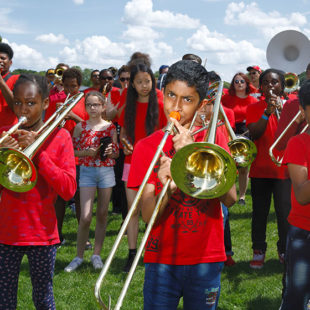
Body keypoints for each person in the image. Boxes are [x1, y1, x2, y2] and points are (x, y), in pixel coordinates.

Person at [127, 60, 237, 309]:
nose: (175, 107)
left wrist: (190, 157)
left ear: (202, 104)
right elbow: (147, 215)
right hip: (161, 259)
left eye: (187, 100)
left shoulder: (214, 139)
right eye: (170, 96)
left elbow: (230, 198)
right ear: (162, 95)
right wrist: (168, 184)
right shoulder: (146, 147)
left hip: (206, 258)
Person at [0, 74, 76, 309]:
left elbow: (68, 190)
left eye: (31, 103)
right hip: (5, 233)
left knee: (43, 298)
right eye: (18, 103)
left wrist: (39, 154)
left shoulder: (60, 137)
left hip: (43, 234)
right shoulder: (4, 134)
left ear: (45, 104)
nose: (23, 109)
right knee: (4, 300)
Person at [118, 62, 167, 272]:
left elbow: (168, 130)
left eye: (147, 81)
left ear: (153, 81)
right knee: (133, 210)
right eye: (139, 82)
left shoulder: (161, 102)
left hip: (156, 162)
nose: (144, 85)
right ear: (132, 85)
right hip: (131, 163)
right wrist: (124, 143)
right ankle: (132, 252)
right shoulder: (128, 106)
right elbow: (122, 133)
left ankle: (152, 249)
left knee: (154, 208)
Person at [64, 91, 119, 272]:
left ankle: (96, 254)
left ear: (103, 107)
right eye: (89, 105)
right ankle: (79, 256)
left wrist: (111, 152)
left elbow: (117, 153)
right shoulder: (80, 127)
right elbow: (71, 151)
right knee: (85, 216)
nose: (92, 108)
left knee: (103, 213)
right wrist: (86, 153)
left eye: (96, 105)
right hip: (87, 171)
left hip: (106, 171)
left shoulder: (110, 128)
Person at [246, 68, 291, 269]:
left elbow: (292, 135)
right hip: (260, 170)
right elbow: (254, 133)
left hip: (283, 169)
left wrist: (281, 111)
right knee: (259, 213)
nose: (270, 86)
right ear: (260, 86)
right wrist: (267, 113)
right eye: (266, 82)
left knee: (284, 213)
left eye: (274, 82)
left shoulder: (291, 106)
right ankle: (258, 250)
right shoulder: (254, 107)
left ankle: (284, 249)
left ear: (282, 85)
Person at [45, 68, 88, 246]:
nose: (70, 90)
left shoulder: (85, 101)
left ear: (79, 85)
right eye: (67, 86)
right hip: (61, 153)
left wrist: (72, 115)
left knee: (79, 196)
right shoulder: (58, 100)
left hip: (79, 154)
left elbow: (90, 124)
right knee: (60, 197)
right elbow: (48, 126)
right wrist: (57, 115)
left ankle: (82, 237)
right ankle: (58, 234)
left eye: (74, 86)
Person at [280, 79, 310, 310]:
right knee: (297, 295)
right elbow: (301, 194)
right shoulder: (298, 143)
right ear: (302, 111)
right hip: (304, 231)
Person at [222, 72, 258, 205]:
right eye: (236, 81)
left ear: (246, 83)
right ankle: (226, 191)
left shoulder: (253, 100)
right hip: (229, 129)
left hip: (245, 131)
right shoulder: (226, 99)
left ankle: (242, 196)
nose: (239, 84)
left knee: (243, 167)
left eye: (242, 81)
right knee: (227, 164)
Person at [0, 42, 20, 127]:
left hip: (7, 132)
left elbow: (17, 107)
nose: (0, 60)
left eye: (3, 58)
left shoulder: (16, 79)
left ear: (10, 62)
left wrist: (1, 81)